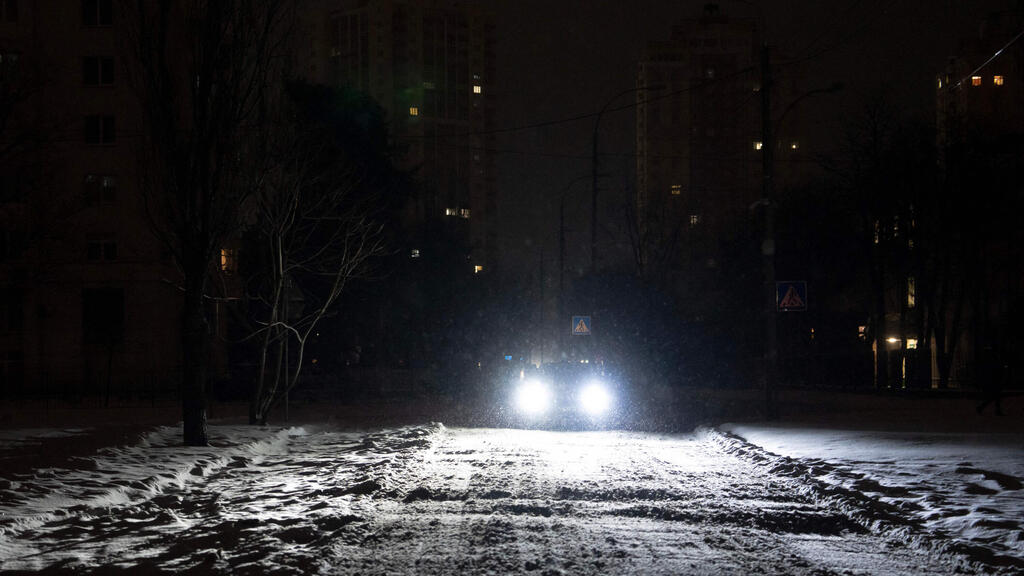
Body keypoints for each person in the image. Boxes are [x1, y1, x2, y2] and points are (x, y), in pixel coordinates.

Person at [976, 345, 1006, 416]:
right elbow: (995, 370)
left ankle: (983, 407)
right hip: (993, 380)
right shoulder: (992, 360)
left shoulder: (988, 360)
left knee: (995, 396)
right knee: (995, 396)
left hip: (993, 380)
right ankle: (982, 407)